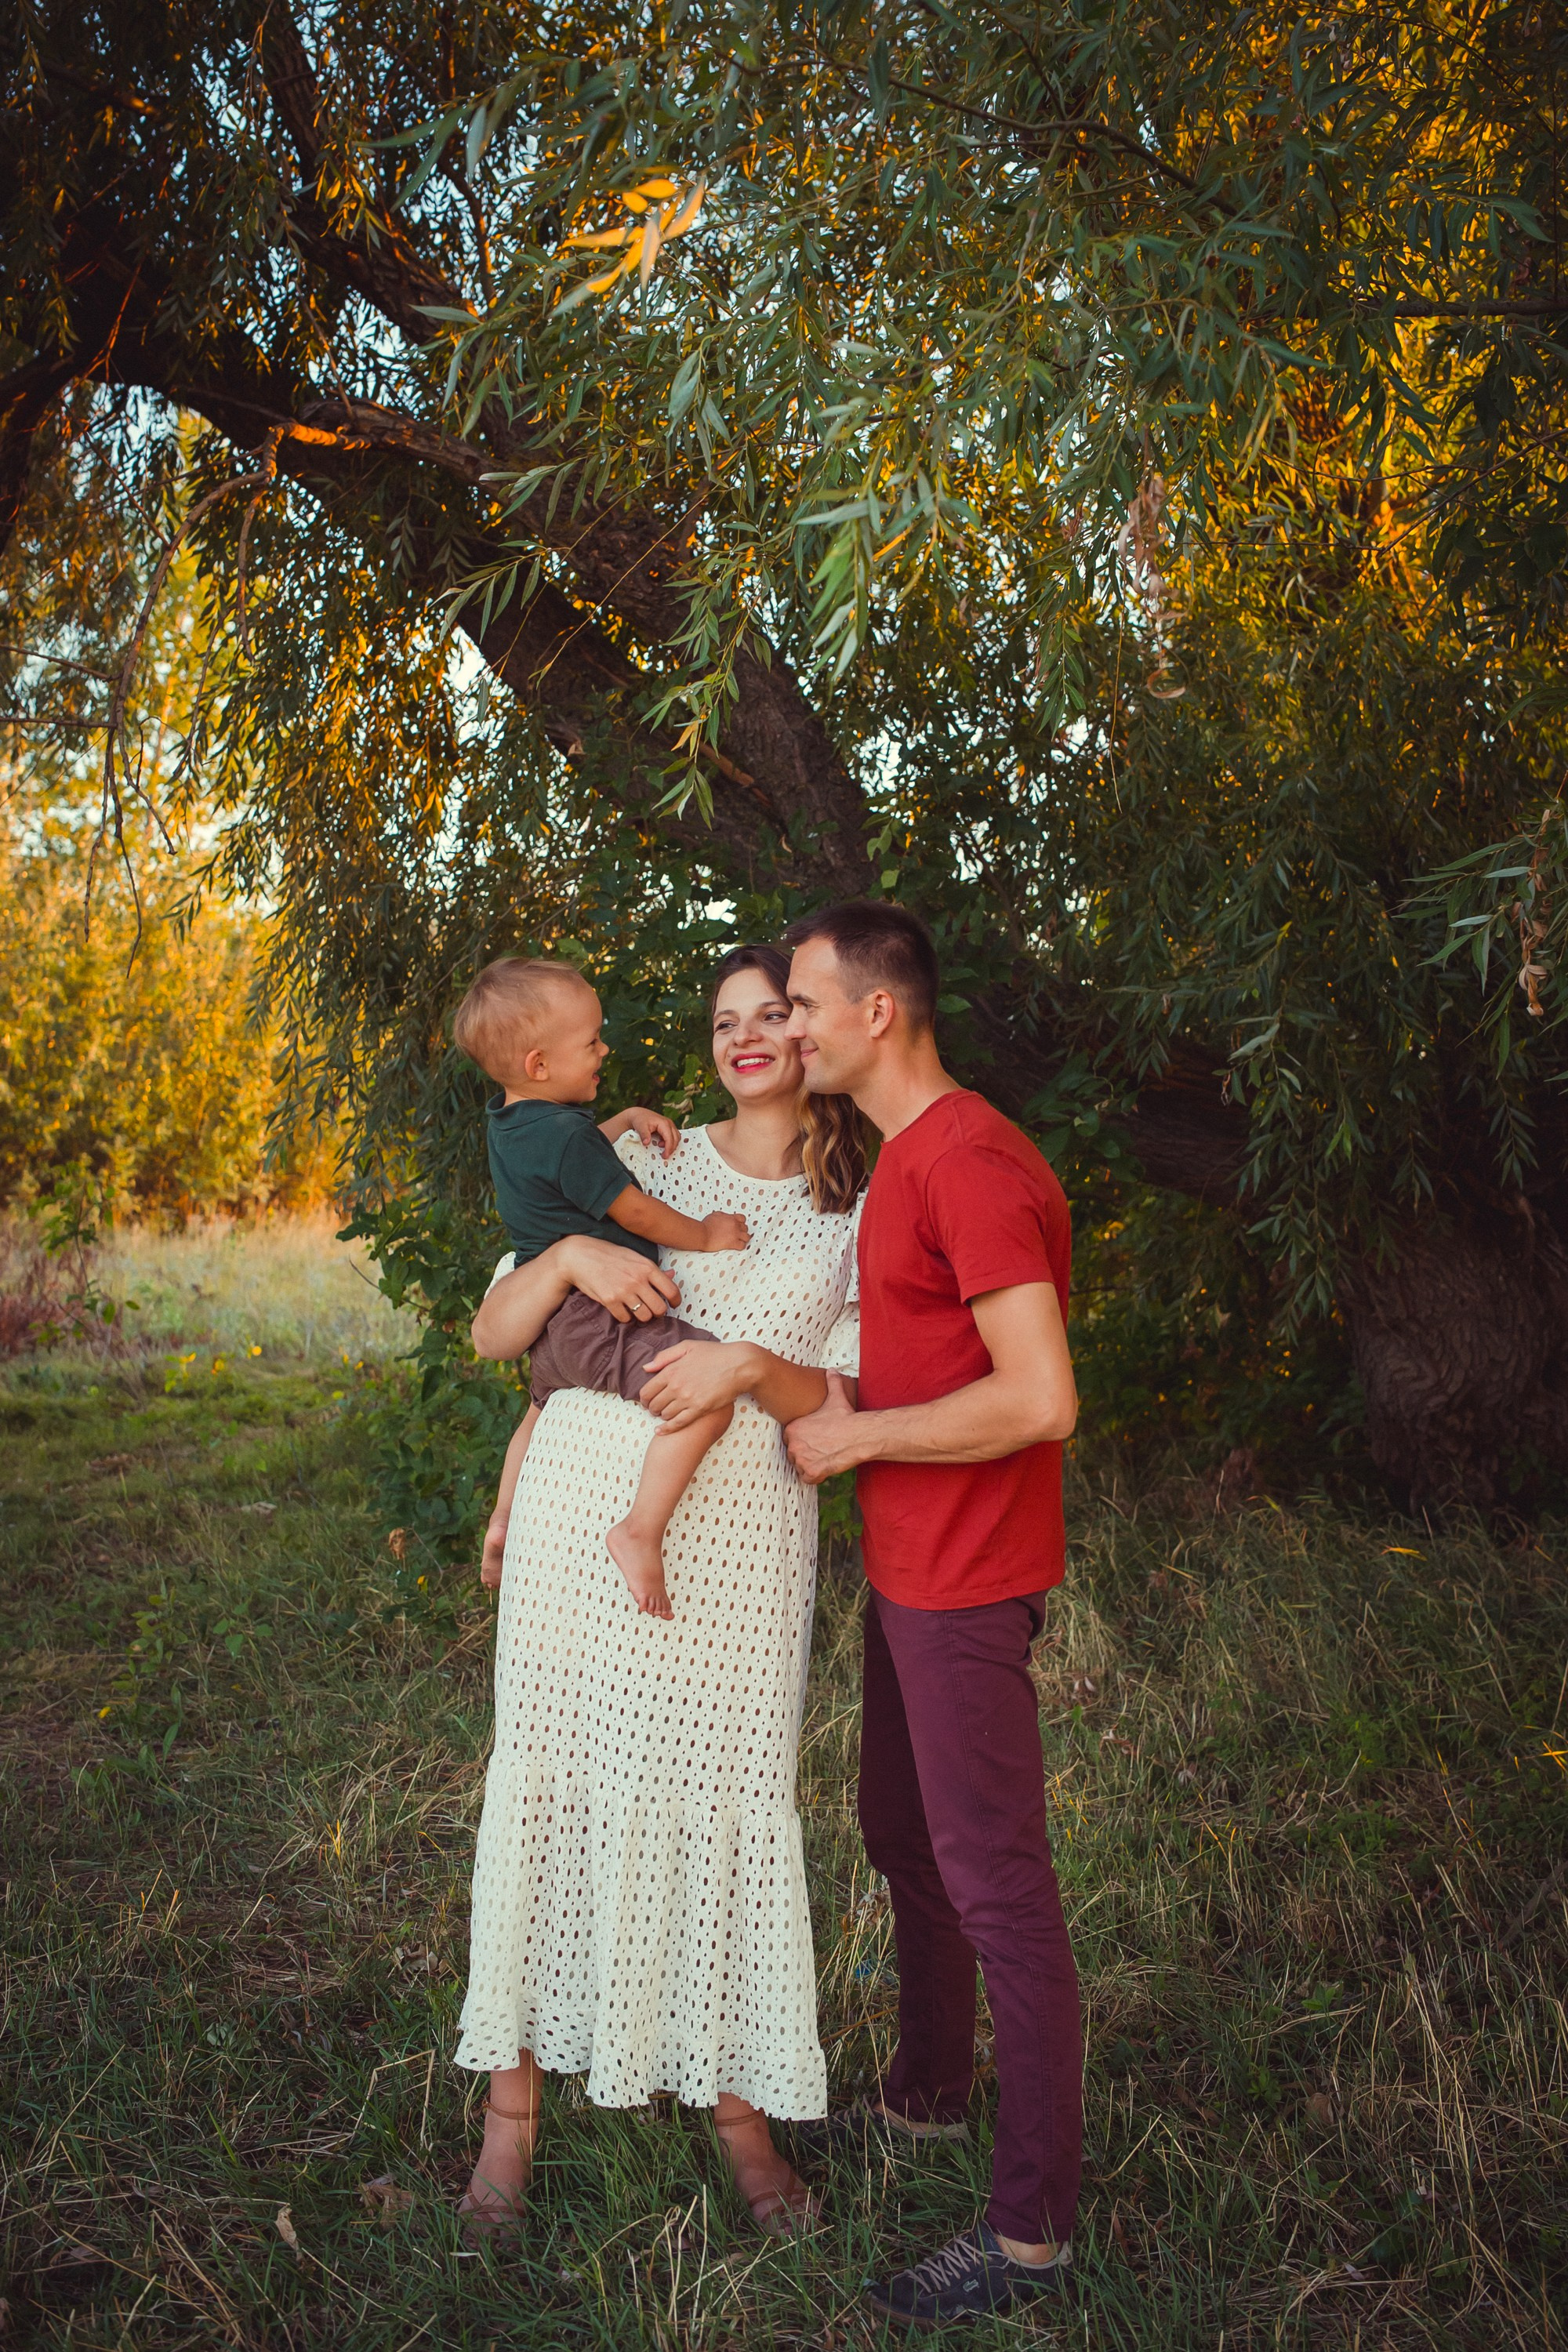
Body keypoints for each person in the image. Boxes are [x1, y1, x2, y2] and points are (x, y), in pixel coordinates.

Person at [453, 944, 866, 2241]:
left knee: (718, 1807)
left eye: (774, 1016)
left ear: (814, 1037)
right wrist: (570, 1266)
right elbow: (497, 1335)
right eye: (725, 1018)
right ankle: (508, 2128)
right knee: (553, 1788)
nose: (749, 1037)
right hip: (585, 1527)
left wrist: (748, 1365)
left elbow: (842, 1404)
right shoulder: (646, 1157)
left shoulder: (861, 1207)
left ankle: (740, 2117)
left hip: (739, 1560)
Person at [781, 900, 1083, 2329]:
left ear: (876, 1013)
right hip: (907, 1570)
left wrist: (862, 1442)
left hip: (967, 1583)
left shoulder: (971, 1161)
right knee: (902, 1839)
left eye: (805, 1004)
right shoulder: (900, 1161)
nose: (789, 1025)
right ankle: (926, 2102)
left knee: (1000, 1891)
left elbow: (1039, 1397)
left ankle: (1029, 2239)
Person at [453, 955, 750, 1618]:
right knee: (706, 1393)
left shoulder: (511, 1122)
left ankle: (504, 1519)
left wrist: (620, 1120)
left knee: (537, 1411)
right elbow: (633, 1210)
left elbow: (571, 1153)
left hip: (554, 1327)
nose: (603, 1049)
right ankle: (640, 1530)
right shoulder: (566, 1138)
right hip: (599, 1317)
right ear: (539, 1064)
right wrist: (704, 1234)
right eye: (590, 1042)